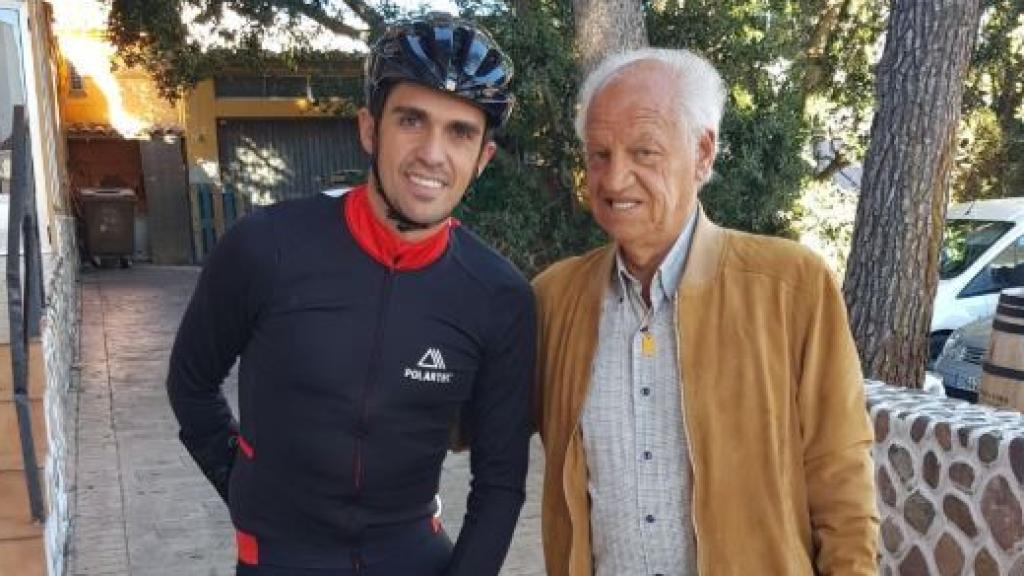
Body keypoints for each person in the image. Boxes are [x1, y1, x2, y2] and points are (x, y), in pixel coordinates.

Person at [167, 13, 534, 576]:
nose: (433, 153)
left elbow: (502, 480)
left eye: (460, 131)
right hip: (280, 560)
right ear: (370, 128)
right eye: (412, 119)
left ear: (483, 157)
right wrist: (245, 489)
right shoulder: (266, 247)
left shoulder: (498, 295)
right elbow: (190, 385)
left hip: (415, 557)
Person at [533, 48, 878, 576]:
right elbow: (463, 419)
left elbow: (841, 476)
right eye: (599, 154)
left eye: (643, 152)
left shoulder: (790, 286)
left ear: (702, 153)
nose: (614, 178)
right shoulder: (555, 300)